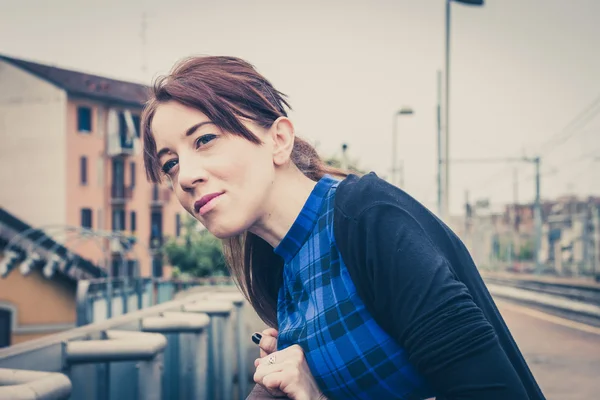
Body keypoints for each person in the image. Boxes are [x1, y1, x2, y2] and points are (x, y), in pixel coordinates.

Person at [141, 55, 546, 400]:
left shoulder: (367, 219)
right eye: (170, 163)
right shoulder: (282, 270)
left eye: (205, 139)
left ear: (279, 139)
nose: (186, 177)